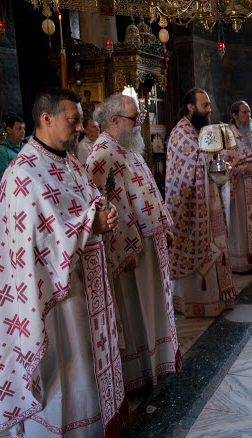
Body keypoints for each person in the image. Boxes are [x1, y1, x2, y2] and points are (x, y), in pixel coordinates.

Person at [0, 87, 127, 437]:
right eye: (74, 119)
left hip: (86, 285)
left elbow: (89, 199)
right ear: (46, 118)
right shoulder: (22, 174)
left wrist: (101, 211)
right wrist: (88, 225)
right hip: (53, 297)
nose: (81, 127)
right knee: (66, 368)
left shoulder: (69, 162)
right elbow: (31, 246)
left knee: (85, 362)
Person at [87, 93, 181, 393]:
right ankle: (139, 370)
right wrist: (121, 248)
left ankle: (156, 361)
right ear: (113, 120)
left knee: (152, 304)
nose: (139, 122)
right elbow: (106, 208)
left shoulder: (129, 149)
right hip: (132, 251)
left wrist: (164, 226)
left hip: (151, 244)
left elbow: (149, 192)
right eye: (134, 118)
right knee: (135, 306)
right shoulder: (102, 155)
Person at [165, 88, 236, 317]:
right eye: (204, 105)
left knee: (217, 243)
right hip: (192, 205)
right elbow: (190, 164)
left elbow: (208, 156)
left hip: (209, 198)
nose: (209, 109)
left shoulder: (201, 130)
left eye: (208, 105)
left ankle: (217, 299)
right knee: (199, 247)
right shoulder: (180, 133)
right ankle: (194, 302)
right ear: (190, 106)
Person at [223, 100, 252, 272]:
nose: (248, 116)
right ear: (234, 115)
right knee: (240, 223)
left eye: (248, 112)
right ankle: (240, 262)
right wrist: (243, 169)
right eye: (244, 113)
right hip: (239, 184)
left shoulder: (249, 132)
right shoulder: (228, 134)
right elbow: (225, 161)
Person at [0, 113, 25, 181]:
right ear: (9, 130)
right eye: (19, 129)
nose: (23, 131)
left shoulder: (27, 146)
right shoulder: (0, 151)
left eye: (23, 128)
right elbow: (6, 177)